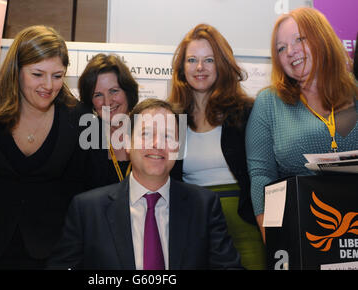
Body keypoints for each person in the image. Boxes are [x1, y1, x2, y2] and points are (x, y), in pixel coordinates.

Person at [47, 98, 242, 270]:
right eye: (147, 134)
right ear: (128, 143)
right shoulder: (87, 210)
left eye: (168, 136)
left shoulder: (204, 205)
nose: (157, 144)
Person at [0, 25, 90, 269]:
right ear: (16, 70)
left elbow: (82, 187)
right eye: (37, 74)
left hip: (52, 249)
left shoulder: (79, 117)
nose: (48, 86)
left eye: (57, 75)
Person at [246, 7, 358, 242]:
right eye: (281, 48)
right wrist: (274, 239)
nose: (290, 51)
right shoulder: (269, 103)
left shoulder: (355, 92)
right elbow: (261, 176)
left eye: (299, 39)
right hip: (302, 233)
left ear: (322, 38)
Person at [167, 23, 265, 269]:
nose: (200, 67)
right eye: (192, 60)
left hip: (245, 225)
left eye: (209, 60)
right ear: (181, 68)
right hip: (193, 227)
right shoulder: (170, 118)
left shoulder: (247, 112)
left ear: (221, 64)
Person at [78, 53, 138, 187]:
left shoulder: (149, 132)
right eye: (98, 95)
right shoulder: (84, 140)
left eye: (114, 91)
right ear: (91, 101)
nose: (107, 102)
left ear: (128, 92)